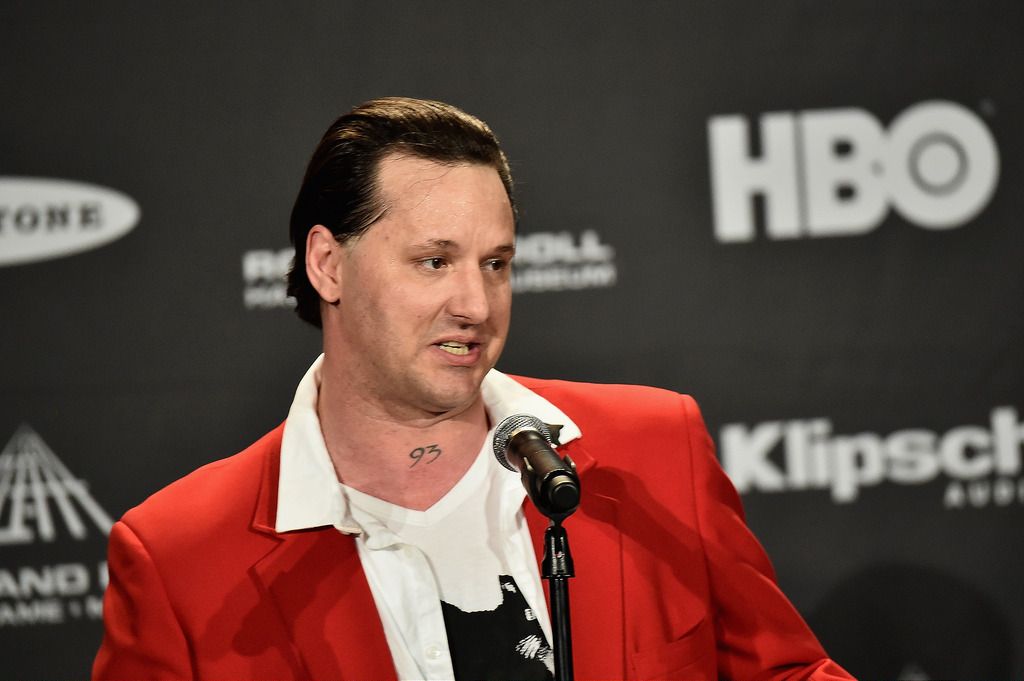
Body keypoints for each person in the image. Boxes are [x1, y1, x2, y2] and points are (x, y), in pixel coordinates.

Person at [93, 97, 853, 680]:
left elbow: (786, 672)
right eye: (434, 261)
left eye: (496, 263)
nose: (477, 304)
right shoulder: (178, 560)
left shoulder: (654, 449)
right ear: (327, 263)